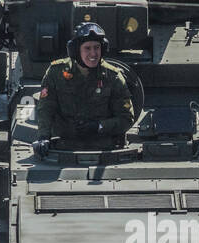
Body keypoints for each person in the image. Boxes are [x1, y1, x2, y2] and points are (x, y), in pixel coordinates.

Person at [35, 23, 135, 152]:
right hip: (64, 145)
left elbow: (126, 118)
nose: (93, 53)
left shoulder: (113, 77)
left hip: (103, 146)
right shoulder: (56, 73)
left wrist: (99, 126)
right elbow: (46, 109)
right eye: (87, 48)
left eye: (97, 47)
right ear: (76, 51)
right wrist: (43, 137)